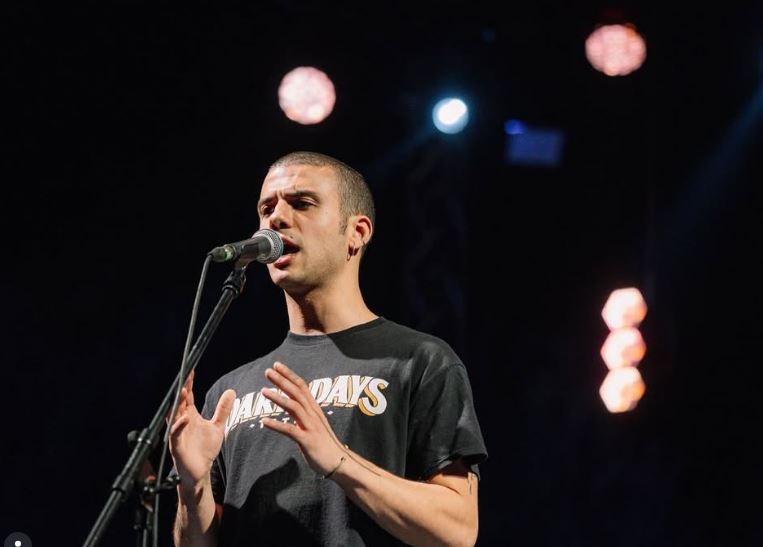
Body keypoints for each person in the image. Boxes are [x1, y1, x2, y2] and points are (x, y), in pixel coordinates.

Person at [169, 151, 488, 546]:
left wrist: (339, 460)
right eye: (266, 208)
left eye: (302, 203)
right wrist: (193, 486)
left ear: (357, 233)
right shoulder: (228, 392)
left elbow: (457, 529)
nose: (276, 218)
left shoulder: (419, 362)